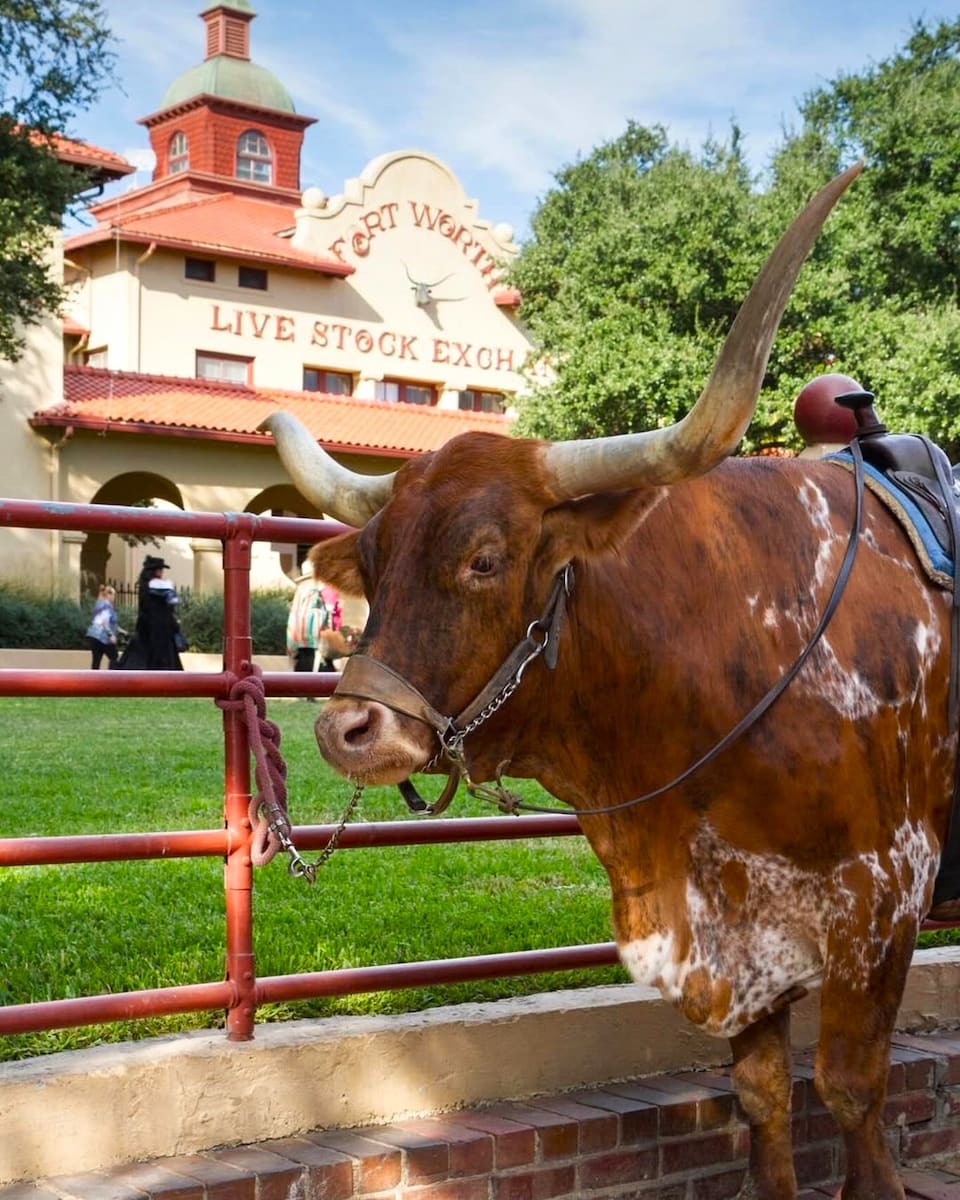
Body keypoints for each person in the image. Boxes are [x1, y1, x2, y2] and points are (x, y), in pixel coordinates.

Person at [116, 555, 185, 670]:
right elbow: (169, 605)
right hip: (159, 631)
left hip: (148, 630)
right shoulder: (157, 586)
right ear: (154, 571)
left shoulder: (146, 586)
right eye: (160, 570)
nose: (162, 573)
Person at [286, 559, 342, 675]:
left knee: (302, 689)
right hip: (325, 653)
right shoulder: (330, 590)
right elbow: (336, 622)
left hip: (303, 651)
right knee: (323, 689)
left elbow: (292, 625)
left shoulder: (301, 591)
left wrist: (291, 652)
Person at [85, 584, 122, 670]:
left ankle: (93, 681)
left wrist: (121, 630)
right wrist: (111, 635)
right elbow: (104, 622)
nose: (114, 597)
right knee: (114, 656)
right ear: (108, 595)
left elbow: (108, 622)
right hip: (102, 637)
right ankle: (113, 678)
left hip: (93, 636)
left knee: (96, 661)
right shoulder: (106, 606)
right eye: (113, 594)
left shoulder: (99, 604)